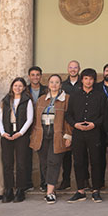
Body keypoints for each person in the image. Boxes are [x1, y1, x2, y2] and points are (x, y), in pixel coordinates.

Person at [65, 68, 106, 203]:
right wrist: (75, 124)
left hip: (94, 132)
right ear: (82, 80)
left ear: (94, 80)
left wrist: (94, 124)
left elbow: (104, 115)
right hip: (78, 133)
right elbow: (68, 114)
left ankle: (95, 191)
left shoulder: (100, 96)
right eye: (86, 78)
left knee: (95, 161)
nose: (88, 81)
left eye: (91, 79)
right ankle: (80, 191)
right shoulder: (74, 95)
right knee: (78, 162)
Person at [30, 74, 72, 204]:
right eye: (52, 82)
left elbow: (69, 119)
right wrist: (33, 135)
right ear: (48, 84)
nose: (54, 85)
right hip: (42, 135)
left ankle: (49, 192)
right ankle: (50, 187)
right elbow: (35, 118)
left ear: (61, 85)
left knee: (54, 162)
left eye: (57, 82)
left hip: (57, 135)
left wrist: (68, 135)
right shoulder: (42, 99)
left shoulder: (67, 99)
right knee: (44, 163)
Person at [0, 77, 35, 203]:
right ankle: (8, 189)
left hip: (21, 136)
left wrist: (20, 133)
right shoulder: (6, 100)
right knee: (7, 163)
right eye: (15, 86)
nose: (17, 88)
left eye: (20, 86)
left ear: (24, 88)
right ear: (12, 87)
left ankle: (20, 190)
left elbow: (30, 119)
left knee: (21, 163)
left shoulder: (27, 101)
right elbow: (0, 118)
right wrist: (3, 133)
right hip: (7, 135)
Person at [59, 60, 81, 189]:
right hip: (67, 122)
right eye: (71, 67)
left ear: (79, 69)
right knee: (66, 155)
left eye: (75, 67)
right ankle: (65, 180)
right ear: (68, 69)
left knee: (81, 155)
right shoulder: (63, 86)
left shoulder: (83, 84)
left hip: (81, 122)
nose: (73, 69)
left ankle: (85, 181)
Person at [27, 66, 47, 190]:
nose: (35, 77)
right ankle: (27, 183)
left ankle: (44, 183)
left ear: (41, 76)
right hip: (27, 127)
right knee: (26, 156)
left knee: (43, 157)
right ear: (29, 76)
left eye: (37, 74)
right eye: (33, 75)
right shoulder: (24, 90)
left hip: (42, 126)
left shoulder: (46, 90)